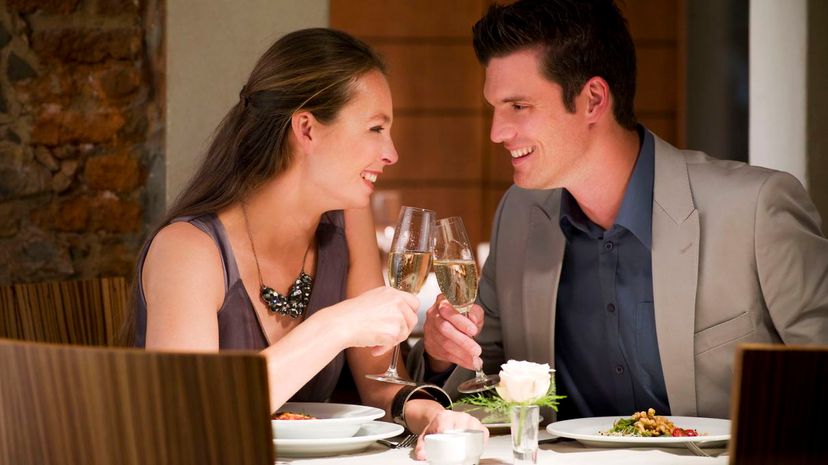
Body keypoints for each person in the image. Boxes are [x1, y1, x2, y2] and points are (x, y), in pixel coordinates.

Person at [411, 0, 828, 420]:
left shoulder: (756, 209)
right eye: (495, 108)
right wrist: (442, 354)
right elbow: (491, 376)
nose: (497, 131)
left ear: (593, 99)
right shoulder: (519, 213)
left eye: (519, 107)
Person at [129, 28, 484, 457]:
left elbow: (378, 382)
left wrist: (433, 418)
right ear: (307, 130)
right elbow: (188, 414)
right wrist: (334, 327)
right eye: (375, 128)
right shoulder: (187, 250)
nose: (391, 153)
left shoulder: (347, 223)